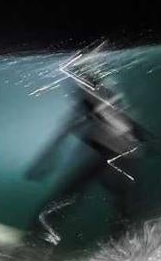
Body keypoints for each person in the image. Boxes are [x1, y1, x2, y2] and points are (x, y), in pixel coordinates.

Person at [25, 50, 151, 246]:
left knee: (71, 195)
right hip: (120, 154)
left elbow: (82, 122)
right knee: (119, 203)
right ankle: (122, 246)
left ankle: (38, 239)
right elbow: (71, 127)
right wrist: (48, 158)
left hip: (115, 155)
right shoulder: (104, 95)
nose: (71, 88)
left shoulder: (94, 95)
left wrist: (48, 158)